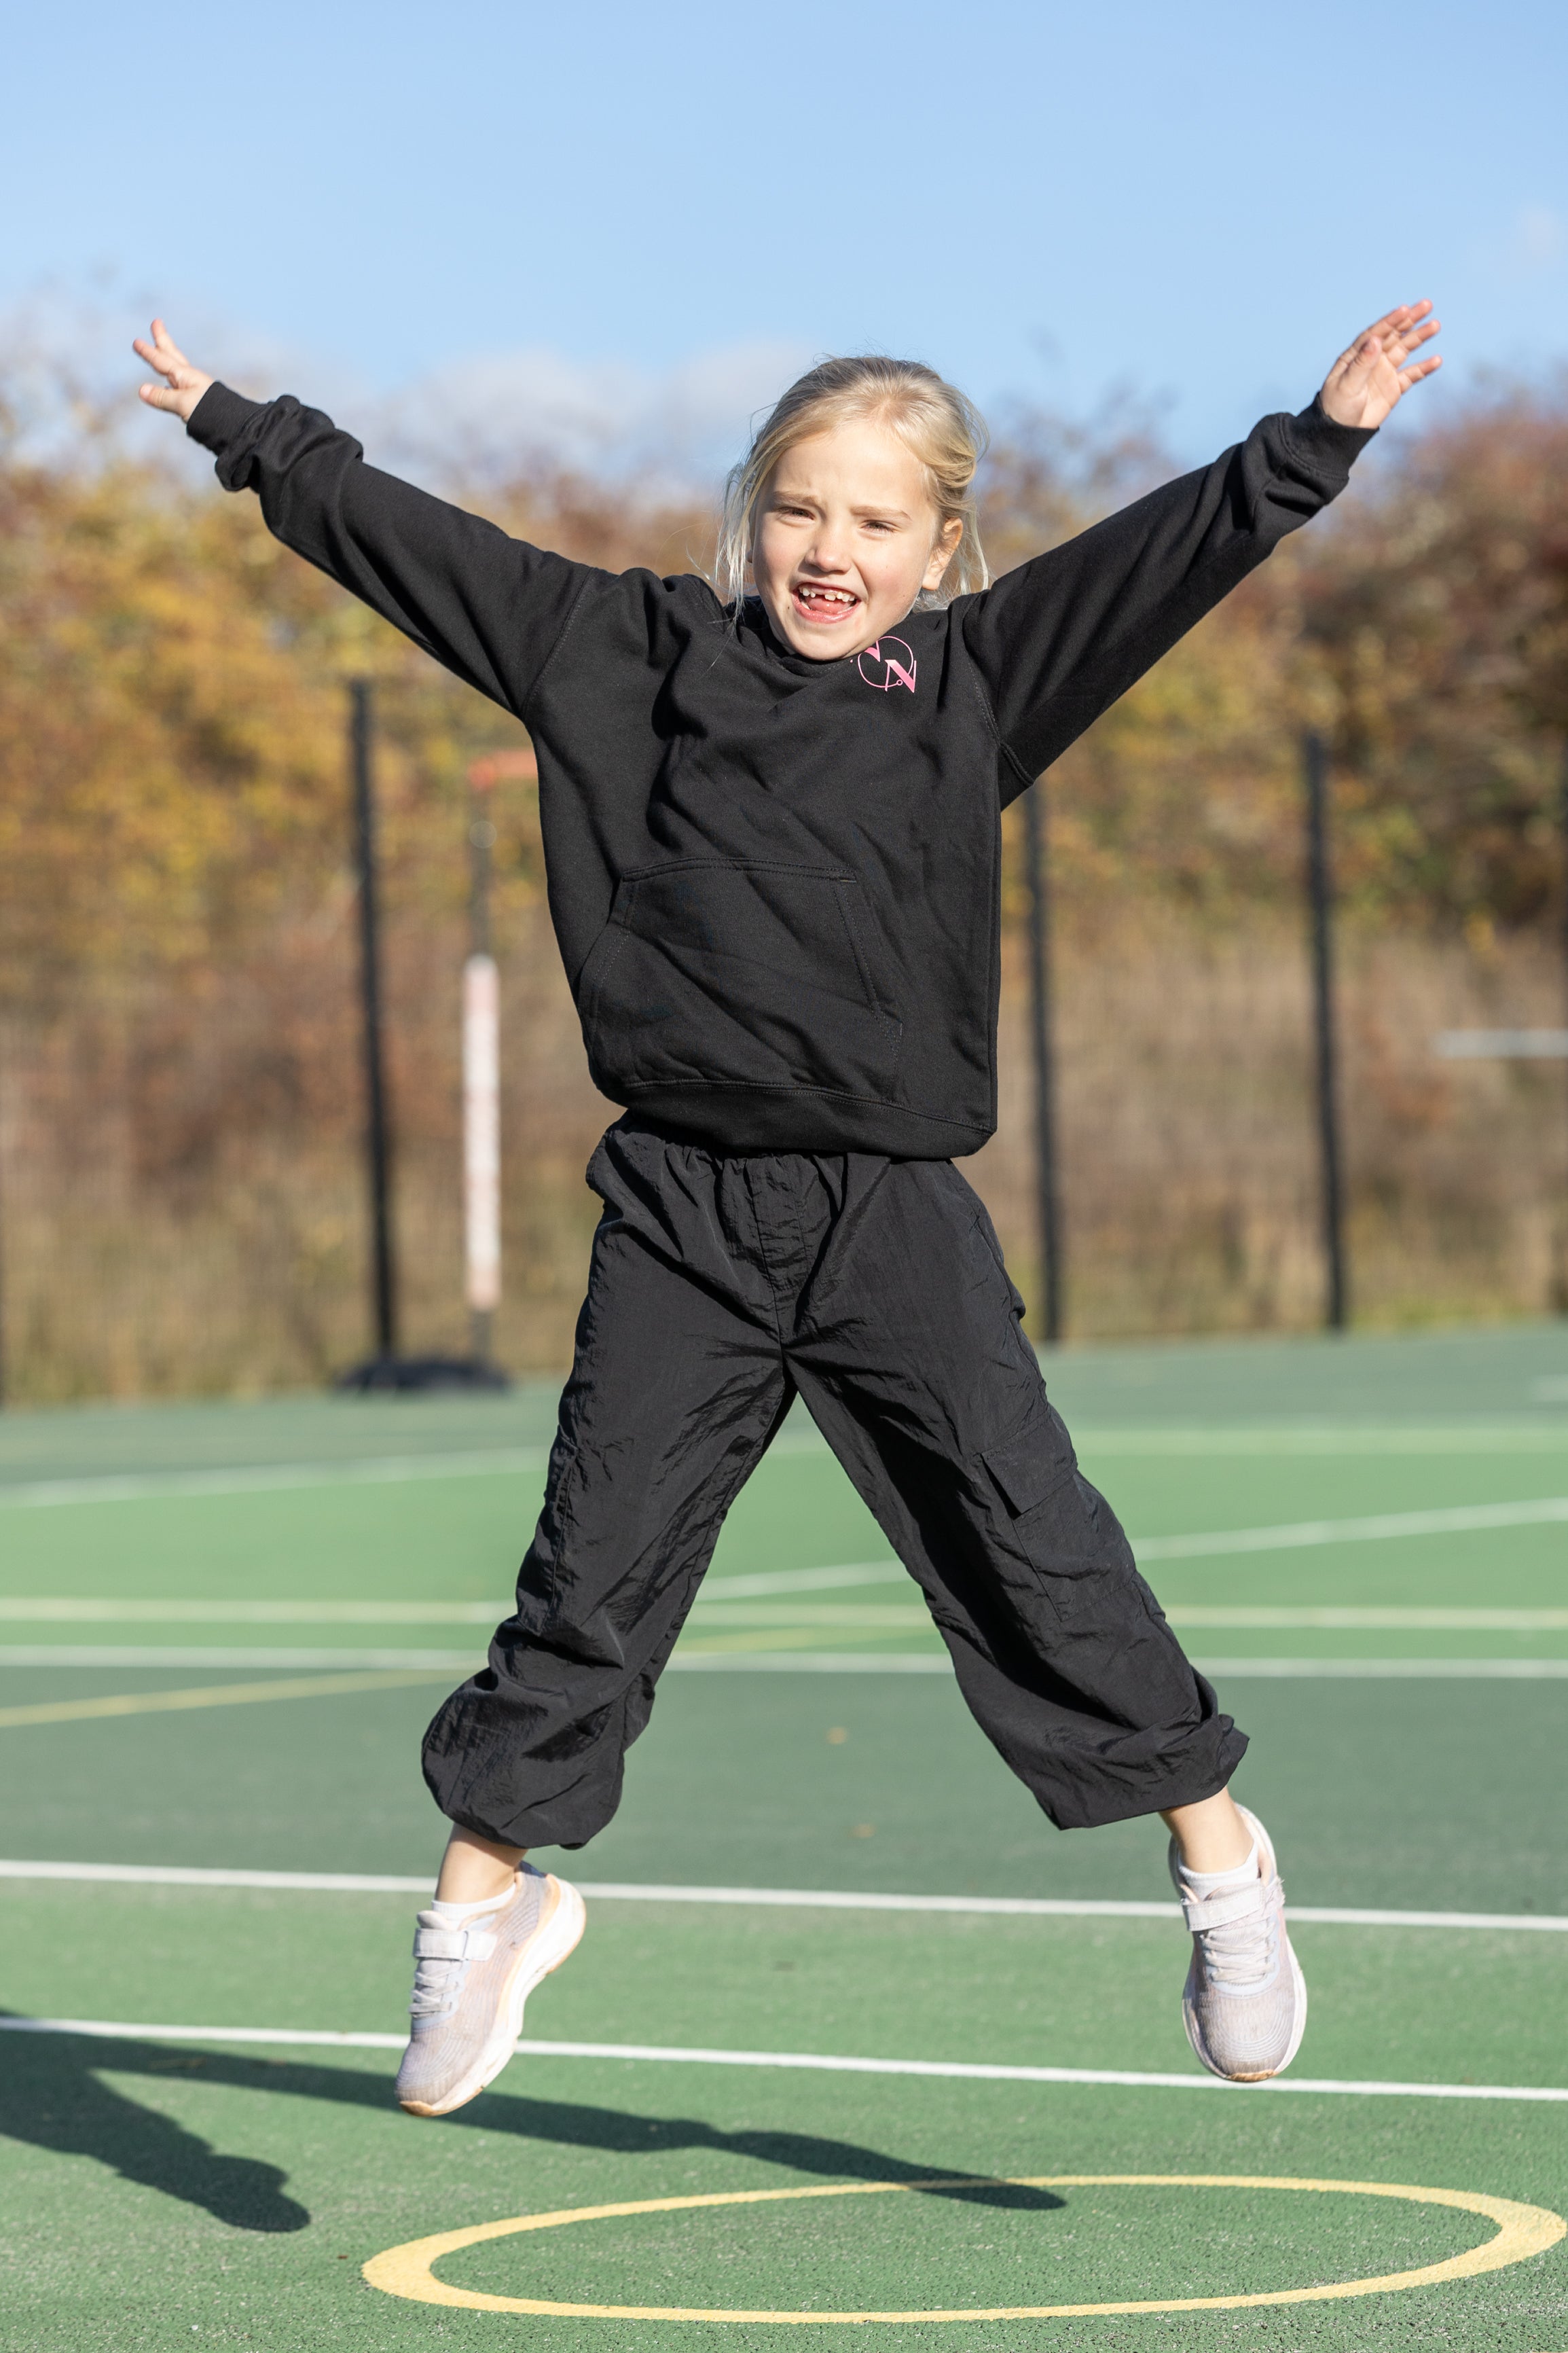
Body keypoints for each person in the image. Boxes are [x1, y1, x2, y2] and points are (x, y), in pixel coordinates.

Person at [135, 303, 1440, 2117]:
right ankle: (486, 1906)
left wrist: (1315, 442)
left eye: (877, 522)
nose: (832, 551)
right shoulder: (622, 653)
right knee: (591, 1569)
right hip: (682, 1211)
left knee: (1030, 1546)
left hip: (885, 1217)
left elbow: (1165, 563)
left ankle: (1221, 1860)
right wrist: (244, 427)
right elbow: (414, 547)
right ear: (753, 511)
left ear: (941, 541)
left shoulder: (977, 681)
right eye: (801, 510)